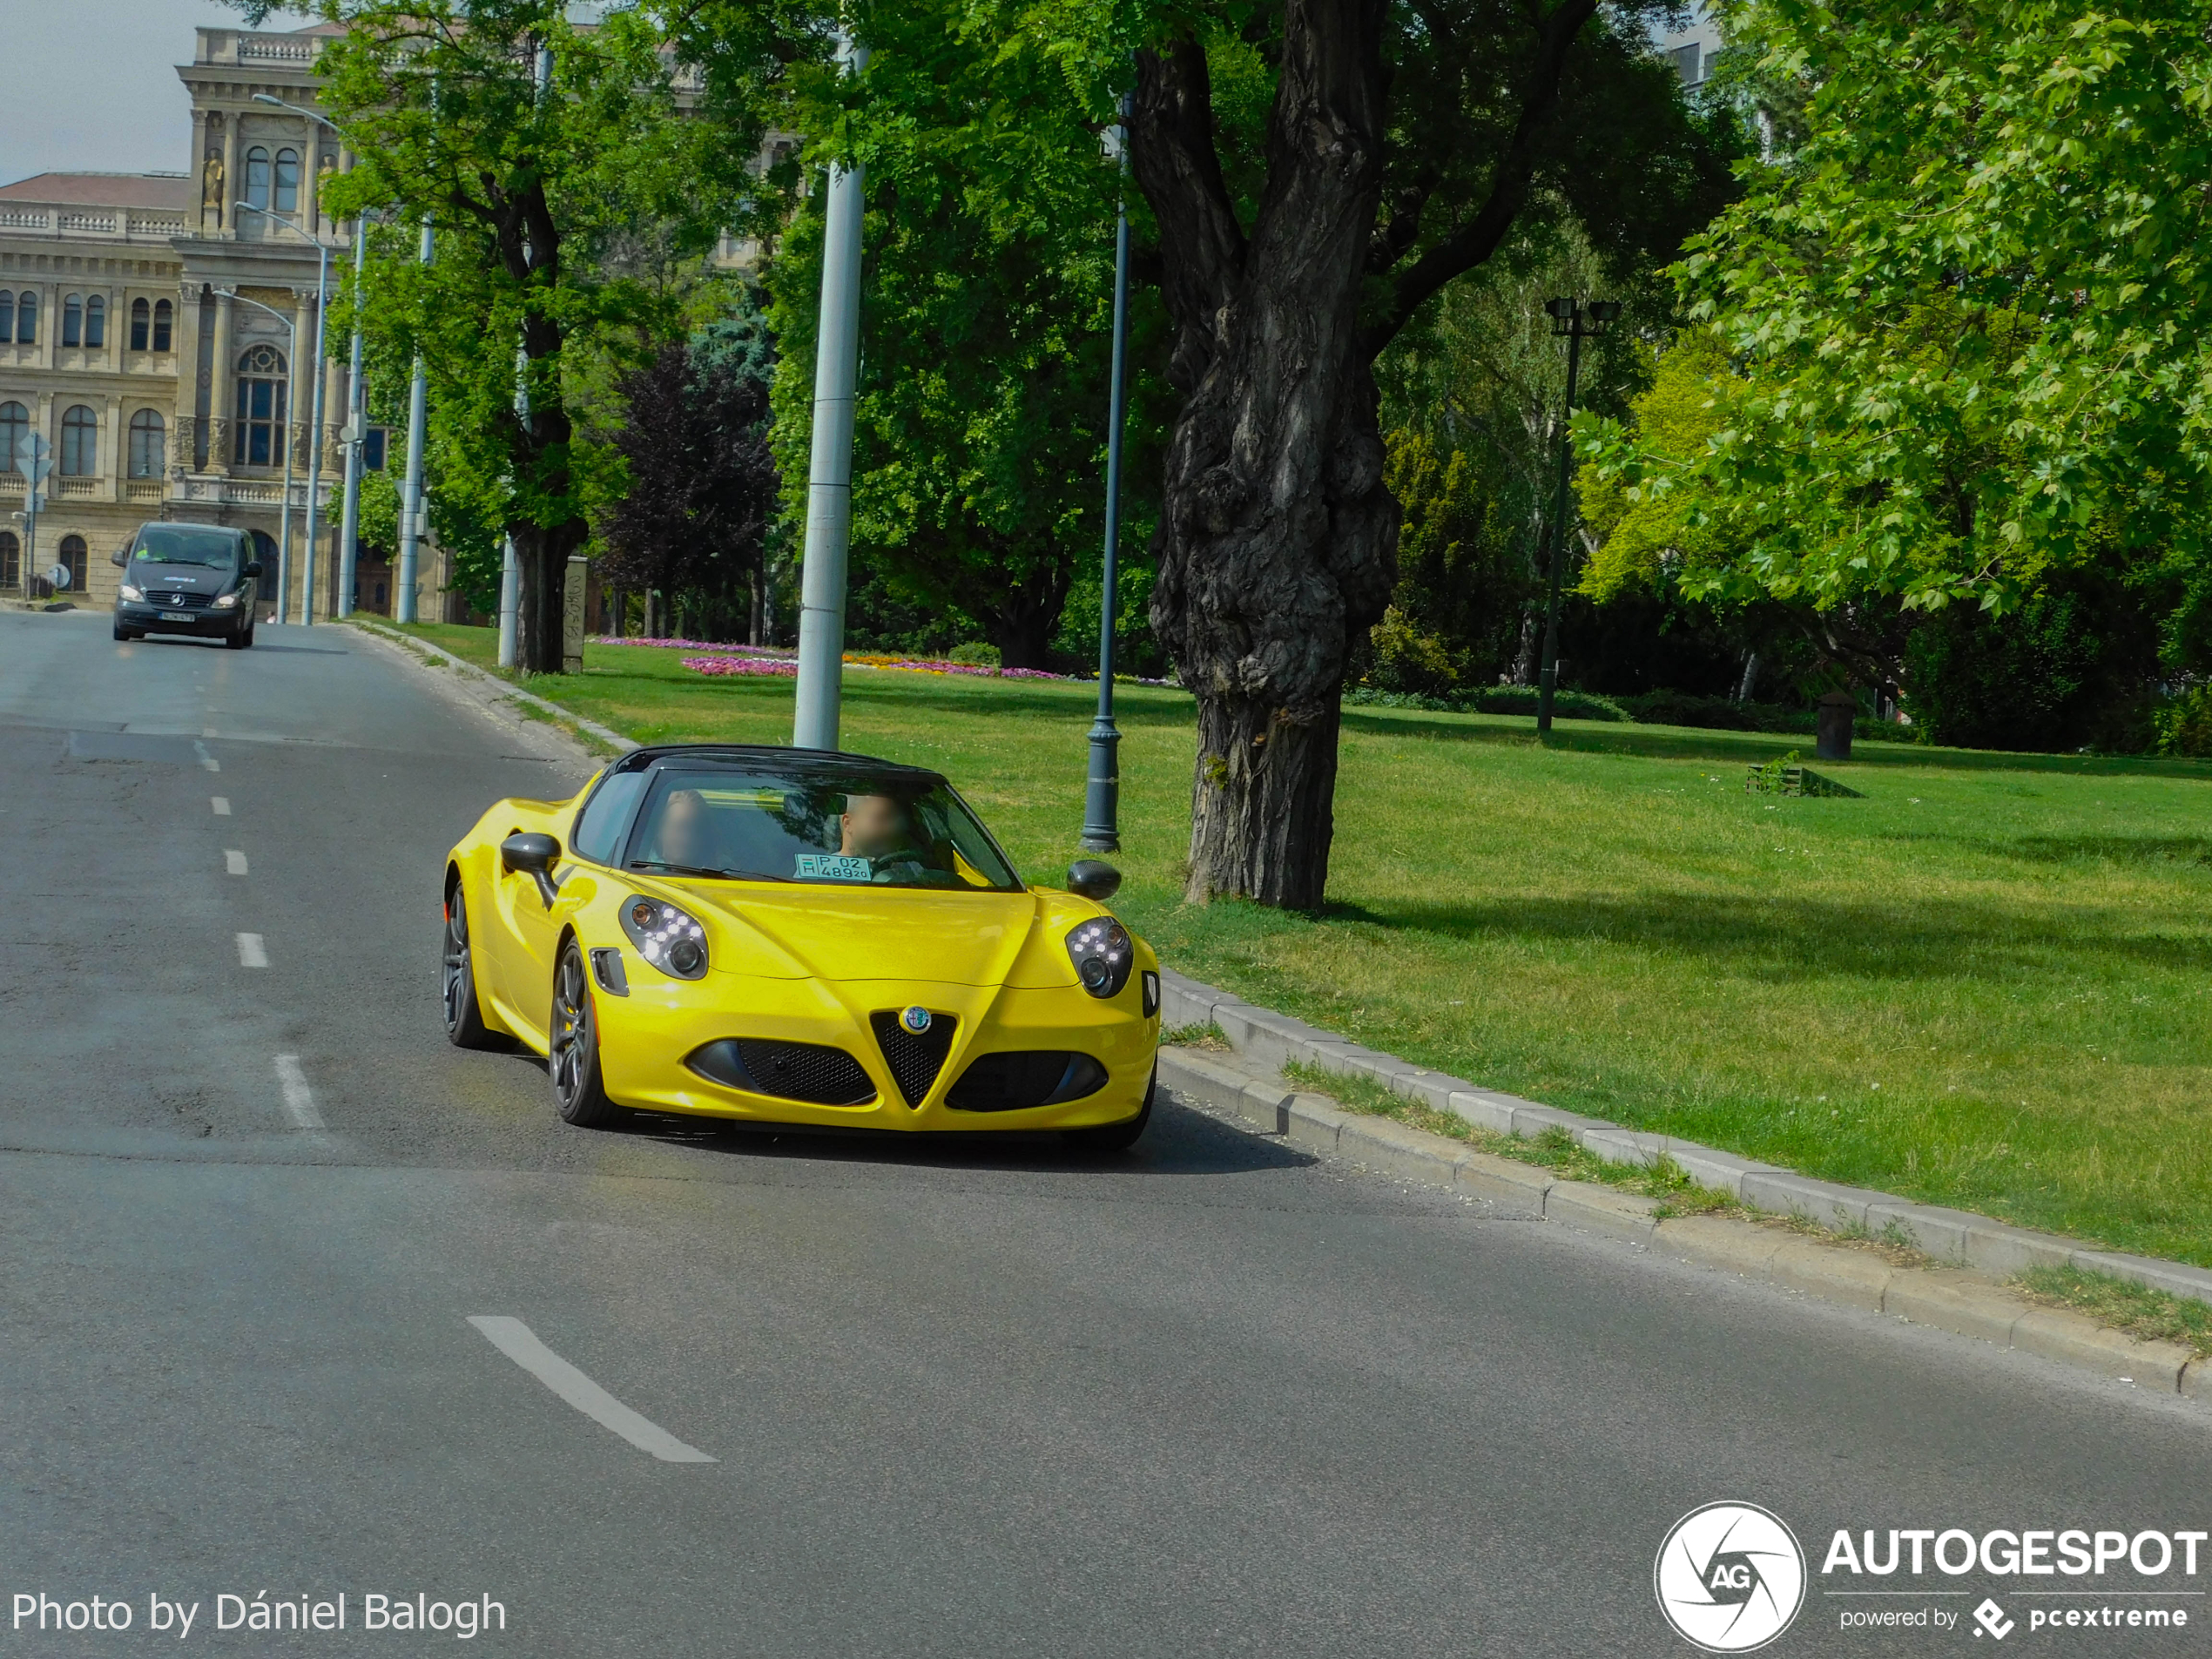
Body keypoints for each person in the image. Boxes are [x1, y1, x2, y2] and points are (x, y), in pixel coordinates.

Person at [653, 787, 717, 869]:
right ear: (660, 830)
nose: (686, 838)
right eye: (678, 828)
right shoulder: (640, 876)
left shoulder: (723, 877)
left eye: (694, 829)